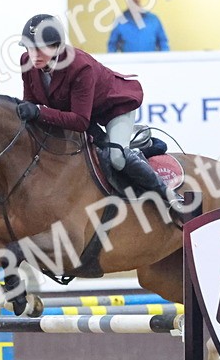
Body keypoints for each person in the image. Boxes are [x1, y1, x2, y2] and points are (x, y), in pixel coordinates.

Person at [16, 14, 185, 221]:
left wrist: (40, 112)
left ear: (57, 47)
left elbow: (80, 121)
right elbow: (31, 103)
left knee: (116, 157)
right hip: (77, 111)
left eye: (40, 48)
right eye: (29, 48)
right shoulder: (27, 62)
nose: (34, 55)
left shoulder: (79, 66)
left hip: (113, 107)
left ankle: (169, 195)